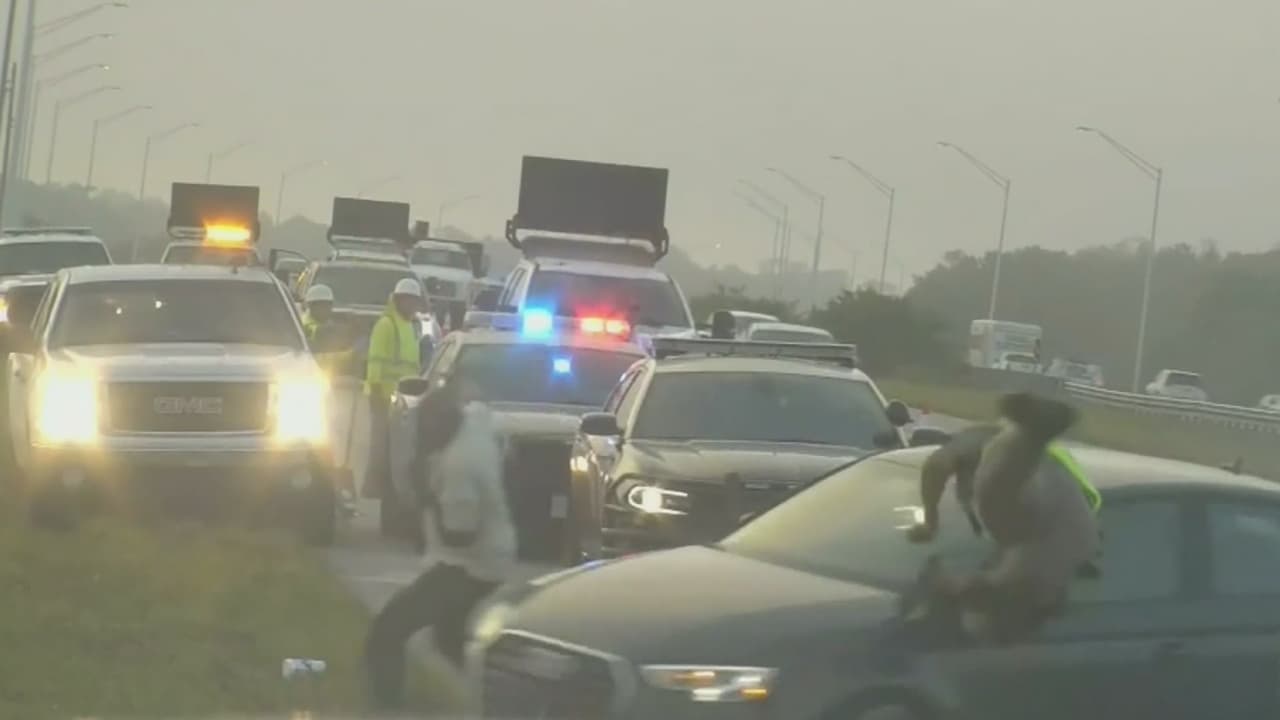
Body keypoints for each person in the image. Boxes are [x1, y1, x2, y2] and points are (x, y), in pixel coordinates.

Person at [364, 378, 514, 711]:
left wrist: (426, 500)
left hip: (469, 567)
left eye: (428, 429)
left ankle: (386, 708)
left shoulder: (459, 469)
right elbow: (478, 399)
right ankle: (494, 703)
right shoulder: (474, 424)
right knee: (450, 641)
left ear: (443, 425)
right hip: (490, 558)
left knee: (388, 630)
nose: (424, 438)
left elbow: (462, 535)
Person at [903, 392, 1101, 643]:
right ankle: (1030, 436)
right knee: (1000, 499)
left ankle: (1028, 436)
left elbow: (938, 465)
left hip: (1044, 526)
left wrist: (931, 522)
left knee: (998, 494)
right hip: (1062, 528)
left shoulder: (980, 440)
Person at [362, 278, 425, 503]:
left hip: (403, 397)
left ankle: (383, 484)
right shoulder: (386, 324)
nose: (412, 305)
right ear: (398, 300)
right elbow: (376, 359)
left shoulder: (409, 326)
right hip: (382, 394)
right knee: (380, 442)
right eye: (407, 301)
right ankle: (371, 486)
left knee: (396, 445)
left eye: (414, 301)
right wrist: (377, 387)